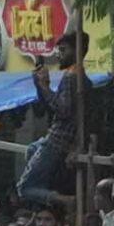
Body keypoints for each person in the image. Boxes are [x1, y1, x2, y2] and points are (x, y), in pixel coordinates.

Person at [16, 30, 87, 205]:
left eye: (63, 51)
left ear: (76, 50)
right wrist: (41, 86)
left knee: (23, 188)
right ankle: (47, 192)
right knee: (32, 149)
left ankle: (63, 200)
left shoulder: (72, 77)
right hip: (56, 139)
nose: (59, 55)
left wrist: (45, 87)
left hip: (57, 141)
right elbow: (50, 107)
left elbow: (62, 110)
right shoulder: (74, 75)